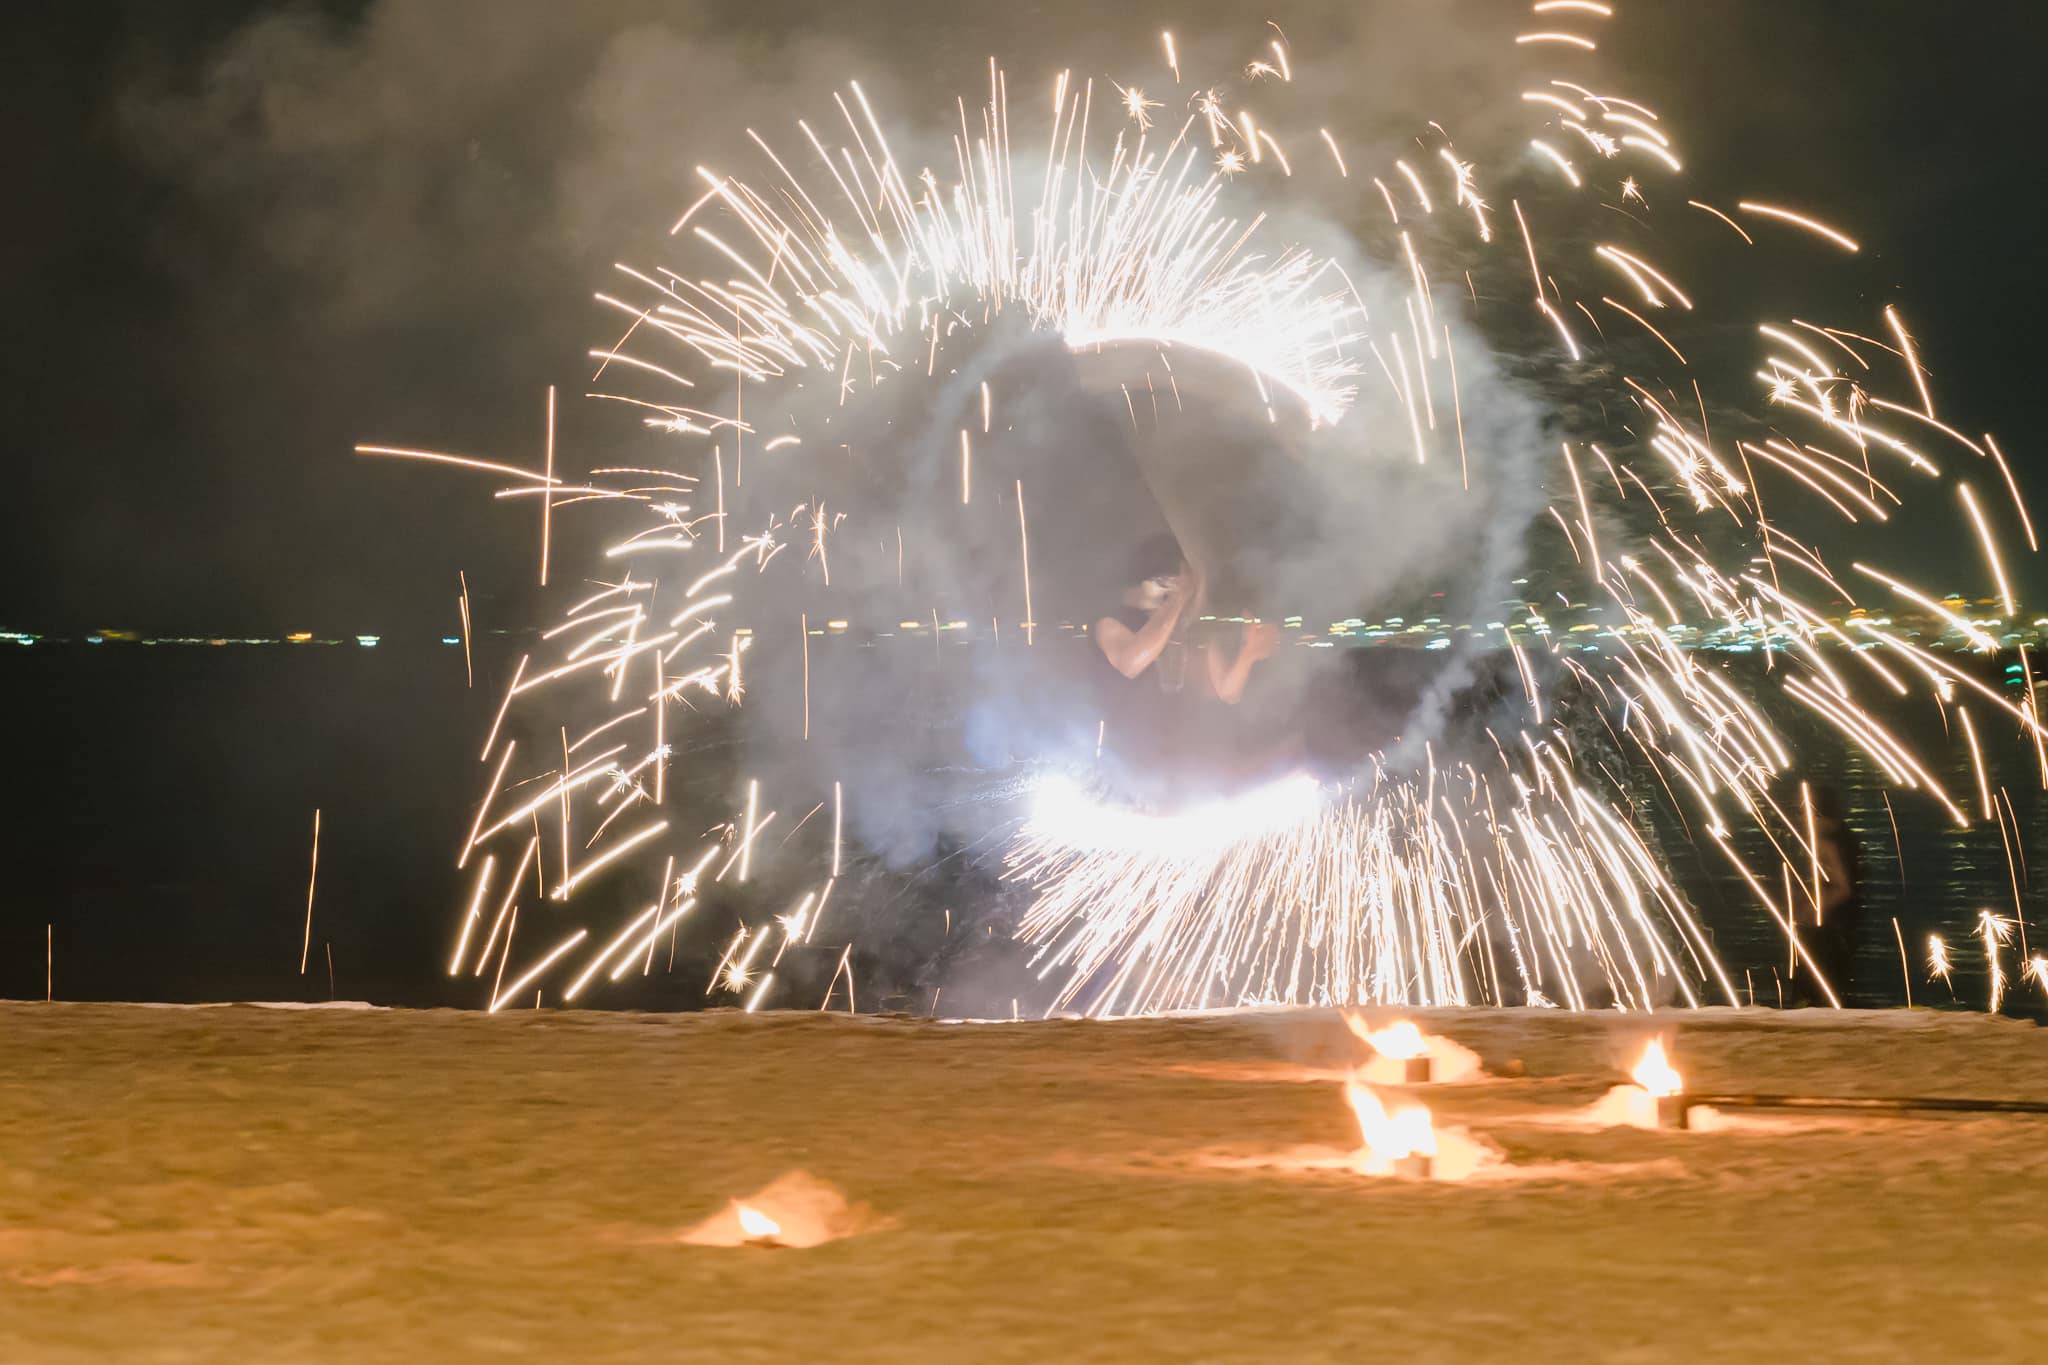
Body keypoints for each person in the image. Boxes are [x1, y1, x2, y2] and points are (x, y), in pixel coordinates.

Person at [1787, 785, 1862, 1007]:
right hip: (1830, 932)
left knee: (1812, 996)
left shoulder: (1824, 844)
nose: (1799, 819)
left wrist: (1810, 911)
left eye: (1803, 812)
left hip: (1823, 934)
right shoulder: (1838, 840)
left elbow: (1842, 887)